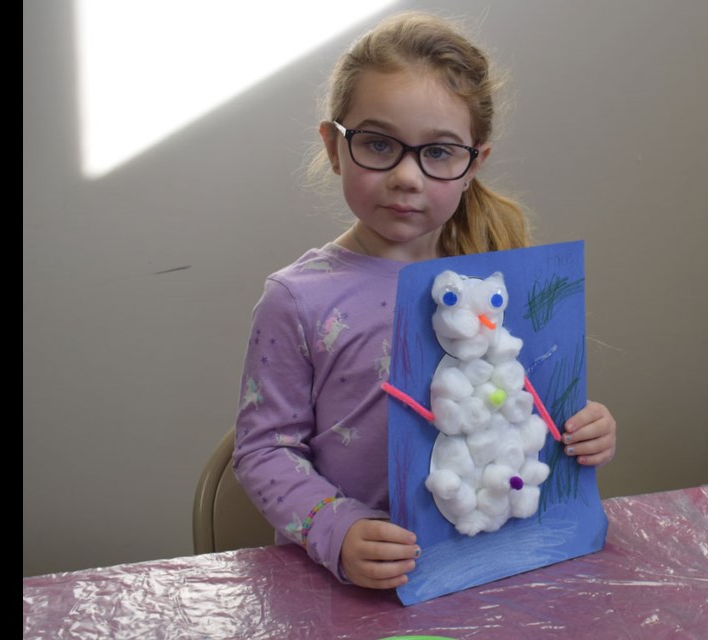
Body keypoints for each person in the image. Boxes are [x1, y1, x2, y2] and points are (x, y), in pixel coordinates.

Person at [234, 11, 617, 590]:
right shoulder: (297, 299)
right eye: (379, 143)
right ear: (335, 148)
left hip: (491, 567)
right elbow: (263, 449)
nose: (407, 176)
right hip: (361, 586)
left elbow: (528, 402)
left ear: (474, 165)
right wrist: (336, 529)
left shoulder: (498, 282)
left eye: (438, 152)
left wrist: (587, 430)